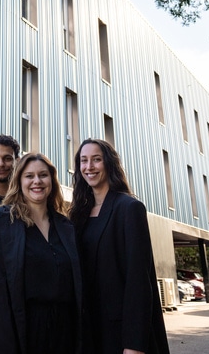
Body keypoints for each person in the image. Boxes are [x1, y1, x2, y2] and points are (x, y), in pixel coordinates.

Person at [68, 138, 170, 354]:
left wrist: (134, 345)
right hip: (89, 332)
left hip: (120, 334)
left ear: (109, 163)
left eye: (96, 160)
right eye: (83, 161)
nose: (89, 167)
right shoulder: (78, 214)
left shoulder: (129, 208)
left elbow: (139, 280)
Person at [0, 153, 82, 354]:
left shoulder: (65, 226)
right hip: (23, 327)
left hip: (66, 329)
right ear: (19, 180)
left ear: (51, 180)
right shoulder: (2, 220)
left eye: (43, 175)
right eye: (29, 176)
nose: (37, 181)